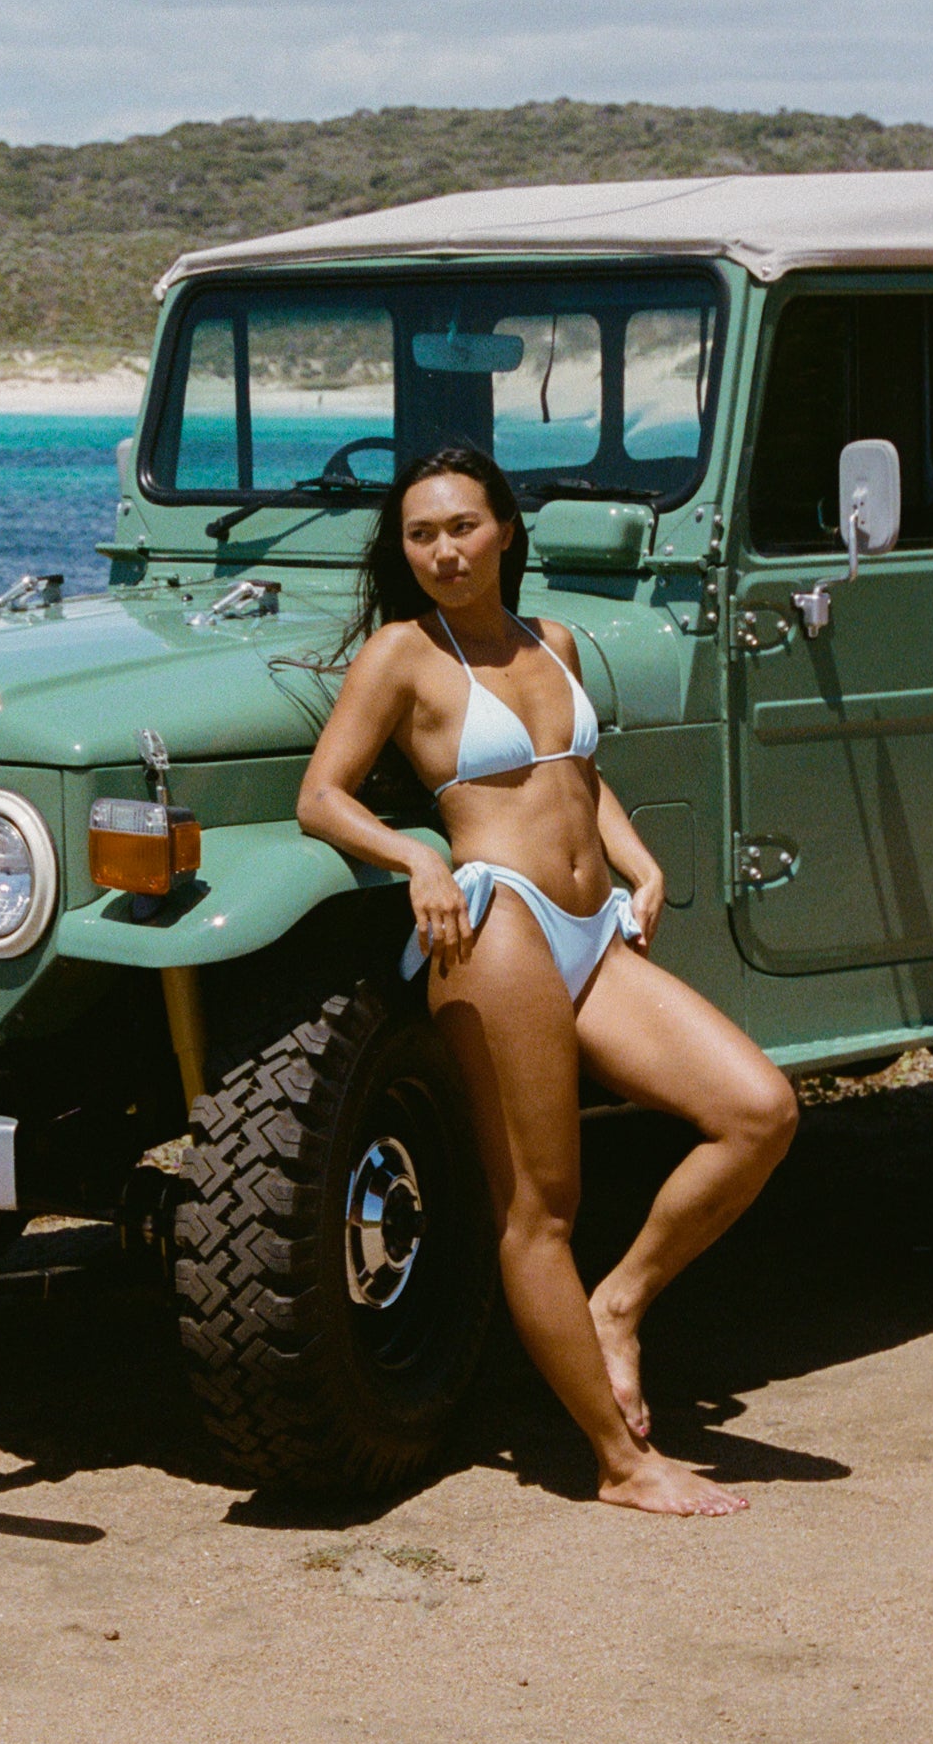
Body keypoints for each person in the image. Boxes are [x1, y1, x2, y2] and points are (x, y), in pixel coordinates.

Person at [297, 444, 798, 1517]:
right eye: (420, 534)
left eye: (462, 526)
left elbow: (574, 772)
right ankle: (619, 1465)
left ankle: (618, 1307)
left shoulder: (551, 638)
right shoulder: (401, 655)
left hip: (591, 927)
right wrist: (420, 858)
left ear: (506, 531)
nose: (442, 549)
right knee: (539, 1211)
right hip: (499, 928)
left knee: (758, 1111)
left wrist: (640, 860)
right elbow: (323, 798)